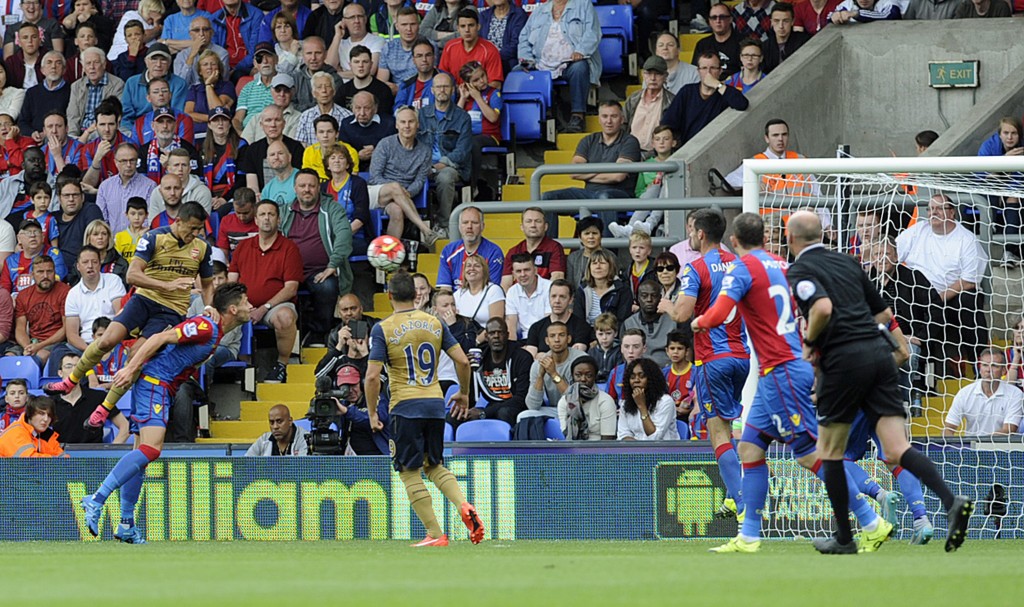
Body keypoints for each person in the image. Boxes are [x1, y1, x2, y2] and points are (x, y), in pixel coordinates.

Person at [693, 212, 886, 554]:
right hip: (777, 370)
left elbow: (720, 313)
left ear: (734, 242)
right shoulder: (784, 265)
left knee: (810, 453)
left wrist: (699, 321)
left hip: (781, 369)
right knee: (750, 449)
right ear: (767, 238)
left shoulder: (743, 267)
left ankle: (871, 521)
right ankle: (749, 536)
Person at [785, 210, 974, 554]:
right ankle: (949, 501)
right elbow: (885, 316)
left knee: (829, 451)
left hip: (843, 361)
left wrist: (811, 344)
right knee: (896, 449)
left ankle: (845, 538)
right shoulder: (848, 263)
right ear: (823, 235)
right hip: (879, 356)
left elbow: (823, 308)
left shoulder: (800, 270)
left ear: (790, 238)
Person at [80, 282, 251, 543]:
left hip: (160, 386)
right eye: (246, 302)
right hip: (155, 383)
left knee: (141, 452)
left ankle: (126, 523)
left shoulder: (212, 328)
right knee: (152, 449)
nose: (251, 307)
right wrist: (130, 368)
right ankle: (97, 499)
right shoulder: (207, 327)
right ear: (232, 308)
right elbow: (160, 338)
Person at [44, 201, 214, 426]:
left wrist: (209, 306)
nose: (195, 234)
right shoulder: (154, 238)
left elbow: (209, 284)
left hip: (171, 312)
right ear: (178, 221)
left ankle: (105, 409)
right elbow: (132, 275)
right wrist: (167, 285)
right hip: (144, 299)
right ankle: (72, 380)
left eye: (199, 229)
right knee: (106, 341)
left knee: (136, 356)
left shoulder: (201, 248)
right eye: (191, 228)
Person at [364, 270, 485, 547]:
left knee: (409, 471)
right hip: (434, 403)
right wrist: (464, 394)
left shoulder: (383, 328)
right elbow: (463, 362)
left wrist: (372, 412)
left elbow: (372, 376)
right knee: (434, 465)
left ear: (390, 296)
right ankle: (464, 504)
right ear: (417, 294)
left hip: (405, 405)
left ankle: (434, 533)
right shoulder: (435, 322)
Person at [663, 208, 748, 518]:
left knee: (717, 433)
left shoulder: (695, 268)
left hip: (713, 358)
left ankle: (743, 505)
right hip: (742, 357)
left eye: (690, 229)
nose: (689, 234)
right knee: (728, 424)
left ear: (700, 233)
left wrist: (667, 306)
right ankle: (730, 494)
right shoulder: (740, 265)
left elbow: (683, 314)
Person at [896, 194, 989, 367]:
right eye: (930, 209)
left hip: (949, 299)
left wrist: (935, 300)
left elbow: (969, 281)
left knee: (969, 299)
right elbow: (893, 256)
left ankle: (980, 363)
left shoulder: (966, 240)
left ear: (952, 212)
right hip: (919, 298)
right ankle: (920, 377)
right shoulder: (917, 231)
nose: (933, 213)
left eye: (939, 208)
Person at [228, 199, 303, 383]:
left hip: (274, 306)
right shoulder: (243, 247)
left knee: (285, 317)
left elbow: (291, 288)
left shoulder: (289, 248)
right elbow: (231, 282)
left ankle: (281, 366)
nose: (266, 218)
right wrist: (243, 305)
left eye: (271, 214)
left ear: (279, 220)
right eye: (262, 214)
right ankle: (242, 368)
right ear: (256, 220)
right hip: (245, 305)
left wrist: (264, 307)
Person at [278, 169, 354, 347]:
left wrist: (333, 264)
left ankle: (319, 332)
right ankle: (287, 339)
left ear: (318, 188)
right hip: (289, 271)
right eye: (302, 186)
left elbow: (344, 235)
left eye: (311, 186)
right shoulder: (283, 211)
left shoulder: (332, 208)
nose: (307, 189)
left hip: (320, 270)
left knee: (327, 287)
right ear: (295, 188)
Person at [516, 0, 601, 133]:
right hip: (540, 64)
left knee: (580, 68)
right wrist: (526, 59)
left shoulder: (583, 5)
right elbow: (524, 39)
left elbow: (592, 33)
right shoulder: (540, 11)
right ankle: (532, 120)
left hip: (569, 62)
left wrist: (581, 51)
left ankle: (578, 116)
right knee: (516, 72)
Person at [366, 106, 438, 244]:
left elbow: (419, 180)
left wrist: (406, 193)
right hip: (377, 193)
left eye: (411, 122)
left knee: (397, 211)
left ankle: (389, 255)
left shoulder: (424, 151)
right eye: (403, 122)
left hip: (403, 198)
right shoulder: (385, 144)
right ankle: (424, 229)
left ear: (417, 125)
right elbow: (374, 177)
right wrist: (396, 189)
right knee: (394, 187)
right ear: (397, 125)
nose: (407, 126)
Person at [446, 316, 531, 429]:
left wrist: (484, 413)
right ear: (486, 336)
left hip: (516, 407)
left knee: (504, 413)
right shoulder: (480, 358)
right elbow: (472, 399)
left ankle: (509, 446)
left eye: (500, 332)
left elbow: (521, 398)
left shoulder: (522, 357)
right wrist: (469, 370)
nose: (496, 336)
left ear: (507, 335)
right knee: (454, 416)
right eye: (492, 333)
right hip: (492, 407)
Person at [416, 72, 472, 233]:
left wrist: (441, 164)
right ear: (432, 90)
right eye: (438, 87)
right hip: (424, 164)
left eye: (446, 86)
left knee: (445, 177)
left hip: (452, 166)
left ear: (453, 90)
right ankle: (417, 226)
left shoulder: (462, 118)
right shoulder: (421, 115)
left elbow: (462, 152)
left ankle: (444, 225)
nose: (442, 90)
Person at [660, 52, 749, 148]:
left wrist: (717, 85)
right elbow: (668, 121)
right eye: (704, 68)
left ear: (720, 71)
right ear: (698, 71)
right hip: (688, 149)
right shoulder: (687, 91)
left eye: (713, 68)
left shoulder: (725, 92)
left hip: (717, 148)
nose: (708, 72)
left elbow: (742, 104)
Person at [59, 244, 125, 362]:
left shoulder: (113, 280)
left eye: (94, 262)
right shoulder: (73, 294)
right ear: (78, 266)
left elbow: (120, 315)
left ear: (100, 264)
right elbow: (71, 334)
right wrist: (90, 350)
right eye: (85, 262)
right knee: (58, 352)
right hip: (85, 345)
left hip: (112, 339)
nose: (90, 266)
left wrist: (108, 342)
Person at [51, 352, 129, 443]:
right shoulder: (51, 402)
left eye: (77, 367)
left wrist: (111, 452)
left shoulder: (98, 397)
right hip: (61, 455)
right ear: (60, 373)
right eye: (68, 366)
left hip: (93, 454)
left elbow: (125, 426)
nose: (73, 371)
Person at [944, 347, 1023, 435]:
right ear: (980, 368)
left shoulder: (1015, 394)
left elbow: (1008, 430)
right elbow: (948, 429)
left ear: (1003, 370)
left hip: (1003, 447)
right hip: (971, 447)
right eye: (985, 365)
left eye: (994, 366)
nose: (988, 370)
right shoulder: (964, 394)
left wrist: (982, 445)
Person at [13, 255, 68, 367]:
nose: (45, 276)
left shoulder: (65, 291)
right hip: (32, 342)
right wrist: (27, 347)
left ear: (54, 272)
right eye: (40, 272)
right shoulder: (23, 296)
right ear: (32, 275)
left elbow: (66, 328)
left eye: (49, 271)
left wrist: (39, 346)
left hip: (56, 343)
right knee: (10, 356)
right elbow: (20, 328)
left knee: (39, 357)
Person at [524, 321, 585, 419]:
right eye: (552, 336)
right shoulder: (538, 364)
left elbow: (574, 401)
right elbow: (532, 406)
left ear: (568, 339)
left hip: (580, 410)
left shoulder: (581, 361)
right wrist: (540, 377)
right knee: (524, 416)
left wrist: (553, 374)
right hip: (555, 410)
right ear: (547, 341)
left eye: (561, 335)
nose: (557, 340)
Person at [239, 104, 305, 193]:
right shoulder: (253, 150)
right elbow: (252, 185)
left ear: (284, 124)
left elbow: (299, 180)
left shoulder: (296, 148)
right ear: (261, 125)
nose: (273, 125)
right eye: (268, 120)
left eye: (277, 120)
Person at [437, 206, 505, 291]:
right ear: (459, 226)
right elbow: (445, 290)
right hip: (454, 303)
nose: (469, 226)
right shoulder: (448, 251)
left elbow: (492, 291)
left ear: (482, 226)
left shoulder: (494, 253)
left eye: (474, 222)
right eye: (465, 222)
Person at [120, 44, 187, 129]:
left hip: (167, 129)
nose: (158, 64)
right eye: (154, 59)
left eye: (163, 60)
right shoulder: (131, 83)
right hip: (135, 130)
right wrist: (134, 135)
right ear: (146, 61)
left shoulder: (179, 84)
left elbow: (178, 115)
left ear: (169, 63)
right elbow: (126, 117)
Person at [500, 207, 567, 290]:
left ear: (545, 226)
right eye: (529, 221)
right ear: (522, 227)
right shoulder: (513, 252)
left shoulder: (554, 248)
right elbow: (506, 284)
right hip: (518, 299)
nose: (533, 225)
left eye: (538, 221)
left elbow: (557, 278)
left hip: (545, 299)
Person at [67, 48, 125, 141]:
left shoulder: (117, 84)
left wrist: (91, 134)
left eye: (96, 62)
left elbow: (114, 115)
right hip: (81, 134)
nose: (92, 67)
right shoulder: (76, 86)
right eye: (88, 63)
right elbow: (72, 116)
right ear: (83, 67)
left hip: (103, 133)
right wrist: (72, 137)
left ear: (104, 64)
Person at [616, 357, 680, 441]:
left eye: (641, 376)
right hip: (635, 451)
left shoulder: (665, 401)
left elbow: (655, 438)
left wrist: (641, 406)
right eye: (632, 377)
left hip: (663, 451)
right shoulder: (626, 404)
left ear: (651, 379)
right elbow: (623, 435)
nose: (636, 380)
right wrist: (637, 450)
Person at [332, 364, 391, 455]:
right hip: (351, 460)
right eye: (345, 387)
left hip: (378, 458)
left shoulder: (376, 398)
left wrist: (347, 411)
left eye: (353, 385)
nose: (350, 391)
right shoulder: (341, 404)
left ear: (362, 384)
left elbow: (379, 418)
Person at [524, 278, 592, 356]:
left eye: (562, 297)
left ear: (570, 300)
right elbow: (530, 358)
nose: (557, 301)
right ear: (549, 298)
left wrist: (543, 355)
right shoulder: (536, 328)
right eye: (553, 296)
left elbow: (576, 356)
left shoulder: (581, 326)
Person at [1, 218, 66, 297]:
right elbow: (4, 290)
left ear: (42, 237)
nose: (33, 235)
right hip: (17, 304)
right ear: (19, 238)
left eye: (36, 232)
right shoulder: (10, 261)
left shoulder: (53, 254)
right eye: (28, 233)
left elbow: (56, 279)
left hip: (46, 299)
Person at [624, 57, 675, 155]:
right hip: (630, 153)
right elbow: (623, 125)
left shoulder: (672, 101)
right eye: (649, 73)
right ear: (643, 75)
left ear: (665, 76)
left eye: (658, 74)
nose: (653, 78)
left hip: (657, 155)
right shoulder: (633, 99)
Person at [558, 355, 615, 440]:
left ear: (595, 377)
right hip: (572, 448)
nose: (583, 379)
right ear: (572, 377)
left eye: (588, 375)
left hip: (598, 449)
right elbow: (566, 433)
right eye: (578, 375)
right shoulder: (565, 401)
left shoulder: (605, 401)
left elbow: (607, 440)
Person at [19, 52, 72, 143]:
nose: (53, 67)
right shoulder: (32, 92)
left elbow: (71, 121)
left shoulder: (71, 91)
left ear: (64, 70)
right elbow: (22, 122)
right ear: (42, 70)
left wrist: (47, 134)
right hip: (34, 140)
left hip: (60, 140)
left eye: (58, 63)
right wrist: (33, 133)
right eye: (49, 62)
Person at [183, 52, 236, 139]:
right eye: (205, 64)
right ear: (200, 71)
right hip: (198, 134)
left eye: (213, 64)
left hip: (221, 135)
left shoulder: (227, 86)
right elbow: (188, 114)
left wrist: (208, 86)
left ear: (219, 68)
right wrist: (213, 119)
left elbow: (218, 110)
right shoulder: (194, 89)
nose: (209, 67)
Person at [573, 248, 632, 325]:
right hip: (587, 334)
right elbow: (578, 321)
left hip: (613, 334)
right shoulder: (582, 290)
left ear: (610, 266)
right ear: (589, 268)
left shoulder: (623, 290)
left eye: (602, 263)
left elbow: (623, 321)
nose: (598, 266)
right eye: (594, 263)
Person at [210, 0, 264, 81]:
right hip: (223, 66)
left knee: (238, 75)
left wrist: (235, 69)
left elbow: (255, 50)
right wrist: (225, 68)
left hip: (249, 65)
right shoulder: (214, 19)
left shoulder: (256, 15)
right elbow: (214, 50)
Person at [240, 74, 302, 143]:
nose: (282, 94)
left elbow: (293, 146)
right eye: (278, 90)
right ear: (271, 91)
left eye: (286, 90)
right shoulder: (257, 118)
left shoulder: (299, 118)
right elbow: (244, 143)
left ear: (292, 92)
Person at [232, 42, 279, 132]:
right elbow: (238, 119)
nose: (264, 61)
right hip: (248, 133)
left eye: (268, 56)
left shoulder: (283, 86)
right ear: (255, 63)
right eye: (259, 58)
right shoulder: (247, 88)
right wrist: (242, 135)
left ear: (276, 59)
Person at [296, 72, 353, 147]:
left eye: (327, 86)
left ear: (334, 91)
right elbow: (301, 146)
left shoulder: (347, 116)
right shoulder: (305, 117)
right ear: (313, 93)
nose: (324, 90)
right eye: (319, 87)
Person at [339, 91, 396, 165]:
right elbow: (342, 152)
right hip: (355, 167)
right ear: (352, 109)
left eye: (366, 108)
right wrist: (357, 156)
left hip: (384, 167)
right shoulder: (346, 124)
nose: (362, 113)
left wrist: (377, 152)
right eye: (358, 108)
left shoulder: (389, 123)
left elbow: (395, 150)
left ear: (375, 109)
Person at [328, 2, 384, 77]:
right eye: (352, 17)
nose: (356, 21)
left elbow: (369, 71)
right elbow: (328, 68)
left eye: (360, 16)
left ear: (365, 19)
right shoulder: (340, 43)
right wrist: (337, 36)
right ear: (344, 21)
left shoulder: (377, 41)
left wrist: (337, 74)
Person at [376, 7, 424, 93]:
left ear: (419, 25)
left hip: (420, 92)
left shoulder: (428, 46)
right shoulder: (388, 48)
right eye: (404, 25)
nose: (408, 29)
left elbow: (429, 80)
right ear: (397, 26)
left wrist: (400, 89)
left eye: (412, 24)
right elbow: (381, 82)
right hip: (394, 95)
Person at [335, 45, 395, 114]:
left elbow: (385, 120)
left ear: (371, 64)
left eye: (365, 62)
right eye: (356, 62)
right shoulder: (342, 90)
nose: (361, 65)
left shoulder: (383, 90)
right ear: (350, 65)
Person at [505, 252, 551, 340]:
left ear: (535, 270)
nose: (523, 274)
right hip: (523, 340)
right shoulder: (512, 291)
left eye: (527, 270)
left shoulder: (549, 288)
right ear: (513, 274)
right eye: (518, 271)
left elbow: (549, 324)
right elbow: (511, 328)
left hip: (545, 339)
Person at [0, 396, 66, 457]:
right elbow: (30, 462)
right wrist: (57, 461)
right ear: (30, 414)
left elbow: (64, 459)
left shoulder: (47, 436)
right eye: (41, 414)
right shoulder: (16, 432)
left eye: (49, 415)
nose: (46, 419)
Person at [454, 253, 504, 330]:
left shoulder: (494, 290)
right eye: (468, 266)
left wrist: (477, 341)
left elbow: (496, 325)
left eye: (477, 266)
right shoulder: (458, 294)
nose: (472, 268)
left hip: (486, 339)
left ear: (484, 271)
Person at [692, 3, 742, 78]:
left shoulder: (742, 43)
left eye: (722, 17)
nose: (718, 20)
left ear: (730, 19)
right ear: (709, 21)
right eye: (714, 17)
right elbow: (695, 72)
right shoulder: (702, 44)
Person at [479, 0, 528, 76]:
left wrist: (493, 57)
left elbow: (515, 45)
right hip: (485, 64)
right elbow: (479, 41)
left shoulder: (519, 15)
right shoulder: (484, 16)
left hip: (508, 64)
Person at [762, 2, 810, 73]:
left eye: (785, 21)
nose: (781, 26)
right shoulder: (765, 47)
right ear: (771, 22)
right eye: (776, 21)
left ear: (792, 21)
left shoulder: (804, 41)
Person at [245, 403, 310, 456]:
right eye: (271, 422)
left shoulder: (305, 438)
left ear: (290, 421)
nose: (275, 427)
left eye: (279, 421)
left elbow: (303, 468)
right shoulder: (264, 439)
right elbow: (244, 462)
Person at [393, 37, 439, 111]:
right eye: (419, 56)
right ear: (413, 60)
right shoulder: (406, 85)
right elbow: (398, 110)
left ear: (434, 57)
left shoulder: (445, 81)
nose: (424, 59)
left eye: (428, 55)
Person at [653, 32, 698, 96]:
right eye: (661, 45)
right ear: (656, 51)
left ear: (678, 50)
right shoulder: (650, 74)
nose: (665, 48)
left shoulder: (694, 73)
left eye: (670, 45)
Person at [565, 215, 602, 288]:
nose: (591, 237)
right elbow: (569, 285)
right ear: (580, 237)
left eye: (594, 233)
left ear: (601, 236)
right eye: (587, 233)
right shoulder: (573, 258)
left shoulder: (610, 257)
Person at [588, 312, 622, 382]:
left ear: (615, 333)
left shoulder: (619, 351)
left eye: (608, 333)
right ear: (596, 334)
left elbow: (619, 372)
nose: (604, 337)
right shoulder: (592, 352)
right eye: (600, 334)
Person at [829, 0, 903, 23]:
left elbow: (889, 16)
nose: (864, 0)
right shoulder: (848, 4)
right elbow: (829, 17)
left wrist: (857, 14)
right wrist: (834, 16)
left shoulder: (888, 2)